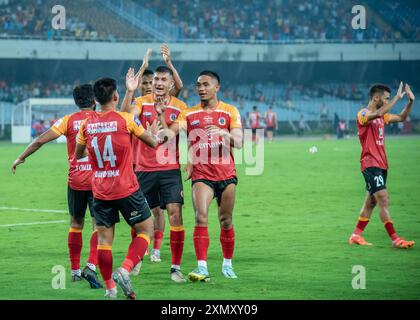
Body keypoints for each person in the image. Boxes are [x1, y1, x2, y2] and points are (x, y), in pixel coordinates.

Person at [11, 84, 103, 288]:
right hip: (99, 180)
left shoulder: (68, 120)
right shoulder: (101, 119)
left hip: (76, 181)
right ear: (94, 101)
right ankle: (92, 266)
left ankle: (75, 271)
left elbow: (39, 141)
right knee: (99, 225)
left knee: (76, 224)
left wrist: (20, 157)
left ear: (76, 102)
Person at [75, 77, 159, 299]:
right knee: (146, 229)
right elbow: (152, 143)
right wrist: (156, 134)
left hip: (100, 191)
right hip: (126, 188)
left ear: (95, 100)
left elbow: (78, 154)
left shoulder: (86, 125)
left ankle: (110, 289)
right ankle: (125, 269)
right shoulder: (127, 120)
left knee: (104, 242)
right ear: (115, 96)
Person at [159, 70, 243, 282]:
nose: (201, 89)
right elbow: (170, 133)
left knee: (226, 220)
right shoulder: (189, 113)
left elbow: (240, 141)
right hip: (202, 174)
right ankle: (202, 266)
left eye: (206, 84)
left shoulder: (230, 111)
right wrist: (161, 117)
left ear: (217, 87)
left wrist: (225, 134)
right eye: (198, 85)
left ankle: (227, 264)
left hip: (226, 173)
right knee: (200, 217)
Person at [121, 63, 187, 283]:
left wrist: (160, 116)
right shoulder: (140, 102)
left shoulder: (180, 107)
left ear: (171, 84)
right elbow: (124, 117)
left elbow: (168, 135)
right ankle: (138, 258)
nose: (158, 83)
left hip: (170, 170)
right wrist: (130, 91)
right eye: (156, 79)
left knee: (175, 214)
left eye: (162, 80)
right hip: (143, 169)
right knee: (139, 219)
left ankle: (175, 268)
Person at [349, 82, 415, 249]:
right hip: (370, 164)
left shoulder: (382, 117)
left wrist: (409, 102)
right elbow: (378, 112)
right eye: (385, 99)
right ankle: (395, 239)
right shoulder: (363, 114)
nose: (387, 102)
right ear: (376, 97)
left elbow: (401, 117)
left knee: (371, 202)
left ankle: (356, 235)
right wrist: (396, 98)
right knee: (383, 198)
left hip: (382, 164)